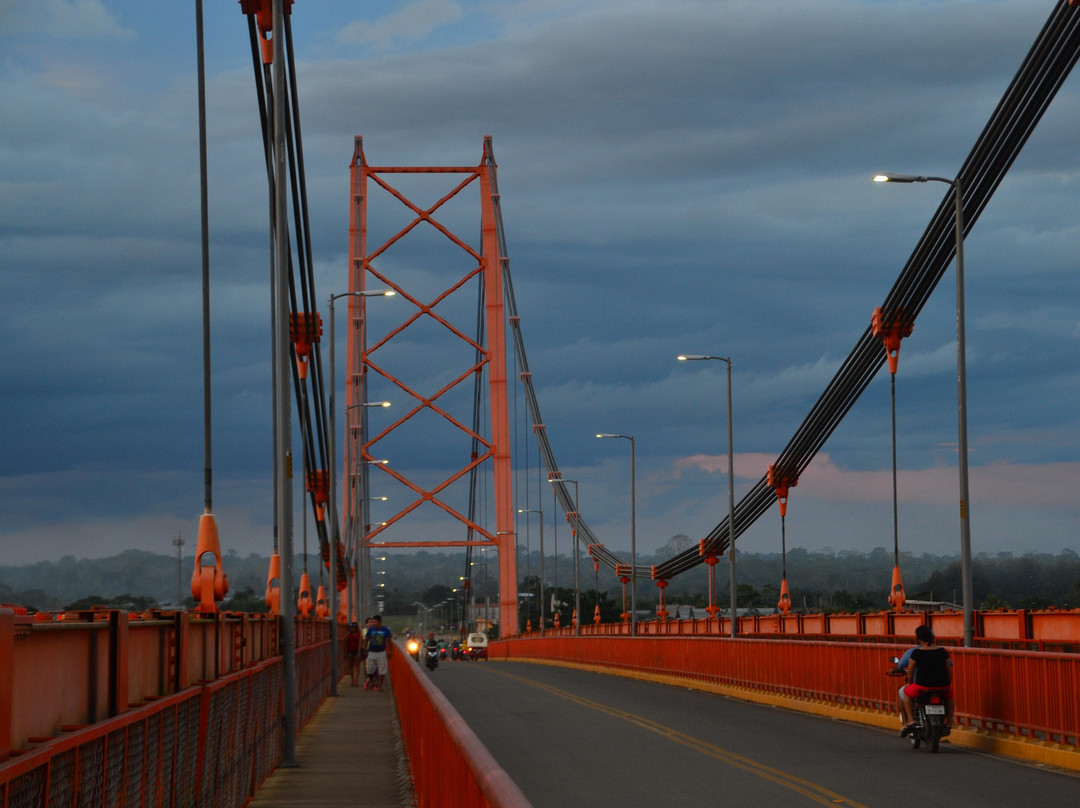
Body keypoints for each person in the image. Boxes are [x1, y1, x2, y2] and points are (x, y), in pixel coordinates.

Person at [900, 625, 955, 737]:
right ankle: (949, 723)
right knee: (950, 698)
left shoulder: (916, 653)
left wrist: (910, 683)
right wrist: (947, 684)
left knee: (906, 694)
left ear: (918, 639)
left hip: (922, 686)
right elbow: (949, 670)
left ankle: (911, 721)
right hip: (942, 686)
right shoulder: (942, 651)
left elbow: (910, 672)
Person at [364, 614, 393, 691]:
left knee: (382, 670)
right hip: (371, 652)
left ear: (380, 622)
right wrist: (365, 650)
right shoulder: (371, 630)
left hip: (381, 652)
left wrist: (390, 651)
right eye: (373, 622)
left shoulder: (385, 630)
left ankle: (380, 686)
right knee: (369, 669)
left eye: (375, 621)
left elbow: (390, 641)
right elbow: (366, 639)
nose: (374, 623)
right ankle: (372, 681)